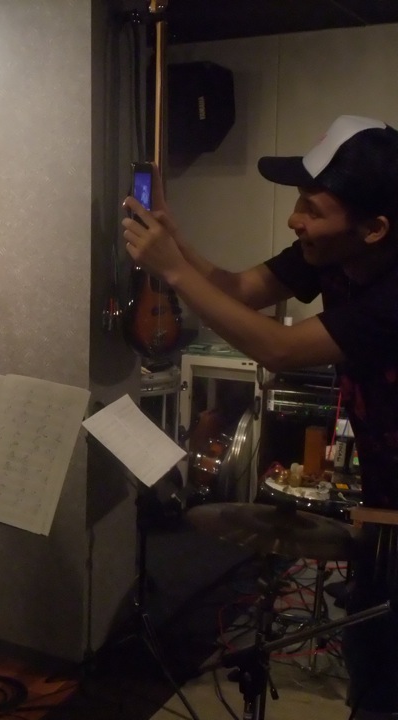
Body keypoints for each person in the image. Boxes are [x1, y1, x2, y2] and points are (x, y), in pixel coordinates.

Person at [122, 115, 398, 719]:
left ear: (374, 228)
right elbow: (242, 289)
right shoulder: (330, 249)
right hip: (382, 502)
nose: (295, 220)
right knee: (370, 658)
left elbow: (280, 348)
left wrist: (173, 270)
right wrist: (176, 242)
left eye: (311, 209)